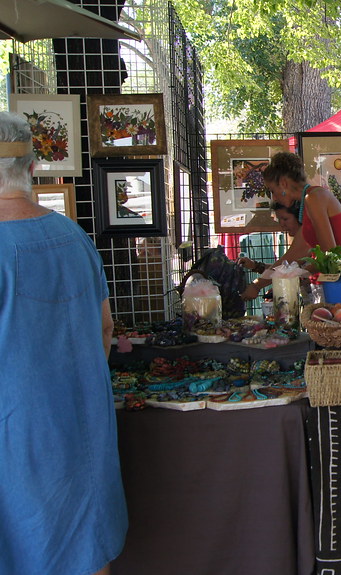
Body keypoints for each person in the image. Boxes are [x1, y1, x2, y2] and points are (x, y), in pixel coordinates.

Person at [0, 112, 127, 575]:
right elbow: (105, 330)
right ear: (33, 169)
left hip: (16, 443)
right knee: (86, 554)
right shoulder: (74, 238)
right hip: (82, 429)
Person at [241, 152, 341, 300]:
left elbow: (330, 255)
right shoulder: (311, 200)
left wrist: (258, 285)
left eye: (272, 191)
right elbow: (294, 257)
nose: (274, 197)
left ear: (283, 183)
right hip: (334, 283)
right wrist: (263, 283)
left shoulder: (313, 198)